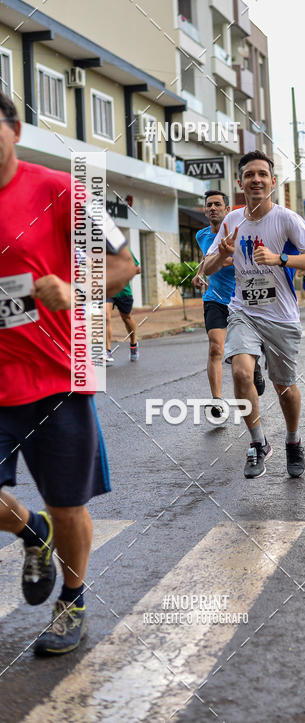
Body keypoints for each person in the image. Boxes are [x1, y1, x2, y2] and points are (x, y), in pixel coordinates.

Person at [0, 92, 135, 656]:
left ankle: (72, 600)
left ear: (15, 129)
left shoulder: (61, 189)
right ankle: (32, 531)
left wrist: (75, 290)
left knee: (68, 505)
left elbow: (125, 263)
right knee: (41, 515)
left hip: (58, 379)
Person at [203, 151, 305, 479]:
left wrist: (280, 259)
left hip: (281, 317)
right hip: (244, 311)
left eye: (262, 174)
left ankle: (293, 440)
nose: (256, 179)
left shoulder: (287, 219)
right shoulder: (231, 221)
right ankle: (258, 443)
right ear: (240, 183)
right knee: (242, 373)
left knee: (284, 387)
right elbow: (207, 267)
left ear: (272, 181)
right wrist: (221, 256)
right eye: (249, 175)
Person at [192, 190, 265, 420]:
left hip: (241, 300)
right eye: (209, 205)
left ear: (227, 209)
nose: (212, 208)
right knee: (216, 347)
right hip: (214, 298)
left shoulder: (240, 230)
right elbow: (206, 256)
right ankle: (217, 401)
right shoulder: (201, 235)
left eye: (217, 204)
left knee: (240, 353)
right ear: (205, 210)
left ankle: (254, 368)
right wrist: (200, 273)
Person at [105, 252, 141, 363]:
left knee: (127, 318)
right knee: (105, 317)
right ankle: (107, 351)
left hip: (123, 292)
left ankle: (133, 344)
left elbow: (138, 269)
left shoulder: (124, 251)